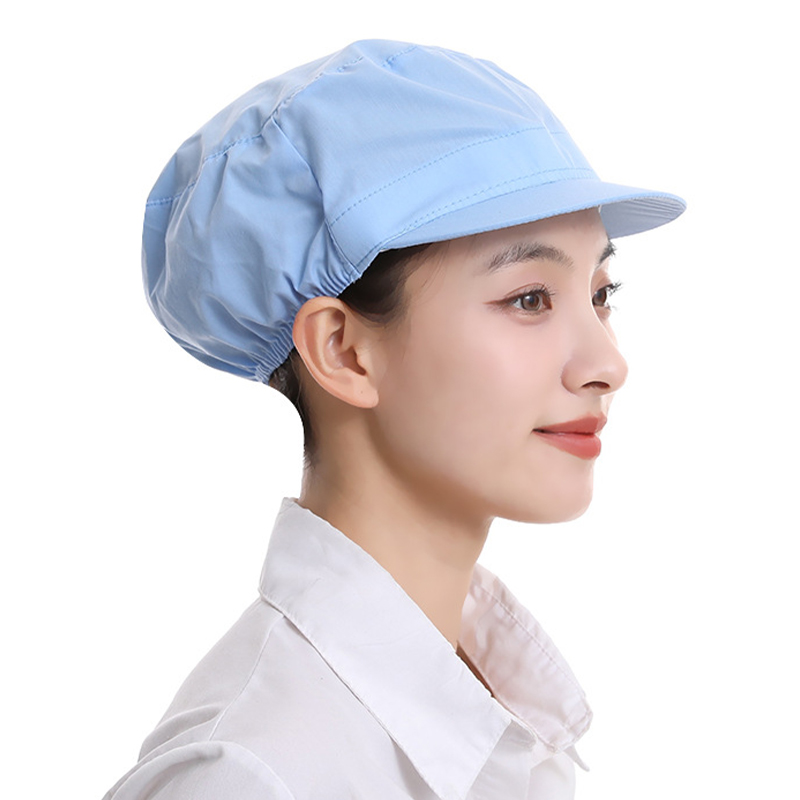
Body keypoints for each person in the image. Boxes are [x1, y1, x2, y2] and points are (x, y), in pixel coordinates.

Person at [104, 40, 685, 800]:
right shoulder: (251, 775)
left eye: (601, 294)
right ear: (343, 351)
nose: (608, 363)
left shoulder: (504, 715)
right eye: (529, 299)